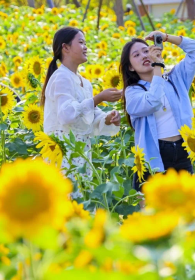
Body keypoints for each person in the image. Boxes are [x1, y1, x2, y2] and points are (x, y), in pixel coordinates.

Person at [120, 31, 195, 192]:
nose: (144, 56)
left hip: (182, 150)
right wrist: (158, 66)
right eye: (136, 55)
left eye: (146, 51)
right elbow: (153, 101)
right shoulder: (132, 92)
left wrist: (166, 37)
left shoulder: (175, 78)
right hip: (153, 155)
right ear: (130, 66)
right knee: (151, 210)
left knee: (184, 206)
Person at [41, 26, 123, 189]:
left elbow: (88, 118)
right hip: (62, 156)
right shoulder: (61, 77)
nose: (86, 47)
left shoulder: (85, 82)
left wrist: (108, 118)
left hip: (82, 156)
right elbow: (67, 115)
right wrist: (99, 98)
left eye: (85, 43)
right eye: (81, 42)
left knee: (83, 203)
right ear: (65, 47)